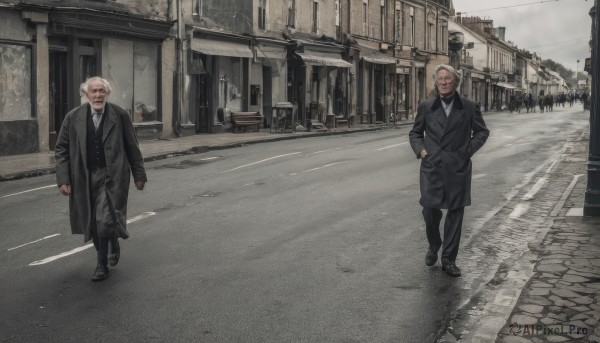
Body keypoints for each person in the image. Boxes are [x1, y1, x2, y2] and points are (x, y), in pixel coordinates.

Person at [55, 76, 147, 281]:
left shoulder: (120, 115)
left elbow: (133, 147)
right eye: (94, 91)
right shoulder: (73, 117)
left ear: (107, 93)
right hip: (84, 176)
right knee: (92, 222)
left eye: (101, 91)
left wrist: (139, 175)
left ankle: (101, 265)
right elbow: (61, 149)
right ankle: (111, 243)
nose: (98, 95)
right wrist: (63, 179)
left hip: (112, 176)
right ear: (85, 95)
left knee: (104, 220)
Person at [409, 64, 490, 277]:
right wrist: (423, 152)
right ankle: (434, 244)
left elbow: (482, 133)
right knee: (429, 211)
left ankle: (449, 259)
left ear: (455, 82)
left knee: (455, 214)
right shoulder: (427, 106)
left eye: (448, 79)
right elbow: (415, 134)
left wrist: (466, 152)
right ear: (436, 82)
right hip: (432, 168)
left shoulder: (469, 107)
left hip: (457, 168)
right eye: (440, 79)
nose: (443, 82)